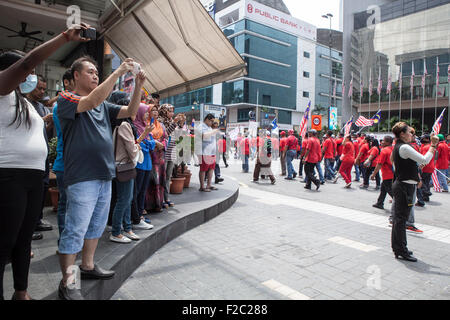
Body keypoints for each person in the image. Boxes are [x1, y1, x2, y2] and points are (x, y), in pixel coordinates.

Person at [0, 23, 90, 301]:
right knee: (5, 241)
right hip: (8, 176)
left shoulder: (24, 102)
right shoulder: (2, 89)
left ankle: (21, 292)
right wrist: (64, 38)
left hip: (33, 177)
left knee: (24, 240)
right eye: (27, 72)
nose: (32, 76)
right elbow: (29, 61)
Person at [55, 55, 146, 300]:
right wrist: (117, 74)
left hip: (105, 174)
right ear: (75, 76)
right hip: (82, 177)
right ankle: (68, 283)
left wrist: (137, 84)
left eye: (97, 73)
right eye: (91, 72)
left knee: (95, 225)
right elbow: (92, 99)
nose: (95, 76)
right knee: (75, 229)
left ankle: (88, 265)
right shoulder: (66, 99)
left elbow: (131, 110)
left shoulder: (104, 106)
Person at [390, 122, 438, 262]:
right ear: (402, 134)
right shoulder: (404, 147)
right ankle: (401, 249)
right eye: (410, 132)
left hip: (404, 185)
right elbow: (424, 159)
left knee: (399, 219)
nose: (412, 134)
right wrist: (433, 145)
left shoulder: (401, 146)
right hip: (404, 187)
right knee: (401, 220)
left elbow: (411, 163)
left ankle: (399, 248)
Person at [27, 75, 54, 238]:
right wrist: (44, 119)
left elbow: (45, 130)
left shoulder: (41, 106)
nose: (42, 92)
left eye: (44, 89)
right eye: (39, 88)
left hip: (42, 153)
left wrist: (50, 122)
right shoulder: (26, 105)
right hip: (29, 157)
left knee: (42, 189)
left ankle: (37, 220)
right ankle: (29, 227)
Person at [52, 69, 75, 239]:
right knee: (66, 204)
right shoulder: (63, 105)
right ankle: (65, 241)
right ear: (67, 82)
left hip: (73, 164)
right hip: (65, 163)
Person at [133, 104, 161, 225]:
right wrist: (148, 140)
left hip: (147, 163)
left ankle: (140, 215)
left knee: (143, 190)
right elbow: (140, 144)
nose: (146, 114)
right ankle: (136, 217)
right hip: (139, 163)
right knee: (137, 191)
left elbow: (150, 145)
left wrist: (148, 141)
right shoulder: (135, 127)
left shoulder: (146, 126)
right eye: (145, 112)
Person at [158, 104, 186, 207]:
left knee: (168, 176)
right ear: (164, 111)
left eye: (172, 111)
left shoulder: (171, 122)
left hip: (172, 151)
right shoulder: (160, 121)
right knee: (162, 176)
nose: (172, 114)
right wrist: (174, 122)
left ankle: (166, 198)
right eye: (170, 111)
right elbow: (165, 134)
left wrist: (181, 123)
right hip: (163, 152)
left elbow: (179, 136)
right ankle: (160, 199)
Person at [145, 102, 168, 212]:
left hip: (160, 156)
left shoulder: (161, 125)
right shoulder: (146, 123)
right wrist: (155, 143)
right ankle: (148, 205)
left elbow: (165, 137)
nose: (155, 112)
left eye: (156, 110)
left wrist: (162, 144)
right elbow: (145, 137)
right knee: (151, 180)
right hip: (150, 155)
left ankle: (158, 203)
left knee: (160, 179)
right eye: (152, 110)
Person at [197, 114, 219, 192]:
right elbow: (204, 136)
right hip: (204, 152)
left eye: (213, 121)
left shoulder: (209, 127)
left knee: (211, 168)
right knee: (203, 169)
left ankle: (209, 185)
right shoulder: (201, 127)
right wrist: (213, 131)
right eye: (211, 121)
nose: (212, 123)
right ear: (206, 119)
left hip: (211, 151)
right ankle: (202, 186)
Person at [372, 136, 394, 209]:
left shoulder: (384, 150)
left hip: (387, 174)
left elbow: (379, 164)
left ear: (387, 142)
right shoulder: (393, 149)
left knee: (390, 191)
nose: (382, 142)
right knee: (383, 188)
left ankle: (400, 204)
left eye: (383, 141)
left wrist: (374, 174)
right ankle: (380, 203)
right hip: (393, 173)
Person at [416, 135, 434, 206]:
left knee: (421, 182)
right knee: (426, 182)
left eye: (423, 138)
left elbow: (423, 158)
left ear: (426, 139)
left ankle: (425, 192)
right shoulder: (431, 147)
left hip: (425, 167)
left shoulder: (425, 147)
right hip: (431, 166)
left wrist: (421, 167)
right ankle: (426, 196)